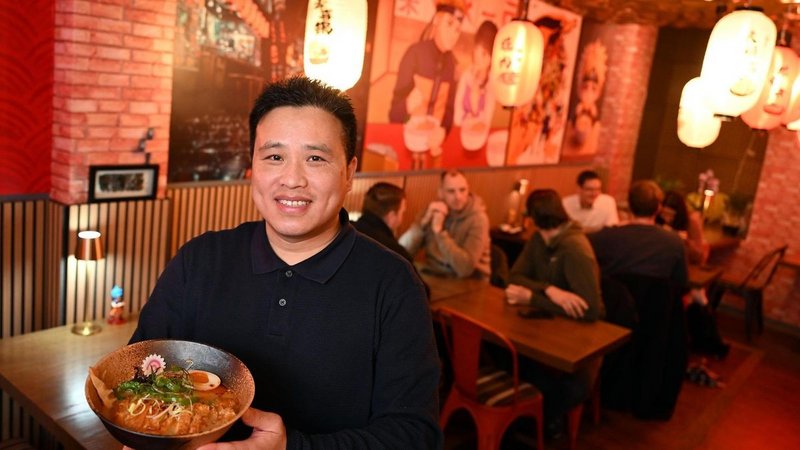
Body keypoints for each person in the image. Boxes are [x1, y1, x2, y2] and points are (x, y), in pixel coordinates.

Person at [129, 77, 442, 449]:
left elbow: (414, 435)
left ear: (349, 172)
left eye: (316, 158)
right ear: (253, 166)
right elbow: (142, 371)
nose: (292, 179)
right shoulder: (200, 260)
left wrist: (291, 448)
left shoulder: (393, 284)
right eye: (274, 156)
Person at [504, 189, 604, 437]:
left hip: (576, 341)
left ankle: (538, 423)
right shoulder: (539, 239)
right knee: (507, 355)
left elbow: (592, 310)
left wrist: (533, 297)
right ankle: (528, 421)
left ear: (532, 218)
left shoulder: (575, 249)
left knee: (560, 385)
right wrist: (549, 290)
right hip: (542, 330)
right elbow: (514, 277)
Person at [390, 0, 464, 166]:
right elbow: (393, 113)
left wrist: (444, 129)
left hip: (434, 146)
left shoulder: (454, 66)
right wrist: (407, 105)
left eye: (458, 30)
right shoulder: (415, 54)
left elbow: (450, 109)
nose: (453, 33)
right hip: (406, 142)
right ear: (436, 20)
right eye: (449, 24)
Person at [399, 169, 490, 278]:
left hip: (469, 281)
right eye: (451, 191)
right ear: (440, 193)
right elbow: (401, 252)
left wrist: (440, 233)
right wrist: (421, 225)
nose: (458, 197)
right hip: (434, 274)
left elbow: (465, 269)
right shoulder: (433, 210)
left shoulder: (478, 219)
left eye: (462, 190)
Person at [454, 20, 498, 149]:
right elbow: (457, 111)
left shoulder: (491, 83)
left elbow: (487, 119)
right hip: (461, 133)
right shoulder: (466, 76)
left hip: (480, 137)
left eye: (485, 54)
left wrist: (476, 96)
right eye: (478, 50)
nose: (479, 57)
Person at [353, 182, 413, 263]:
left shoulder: (342, 231)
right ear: (391, 216)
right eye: (402, 212)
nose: (401, 219)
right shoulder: (396, 254)